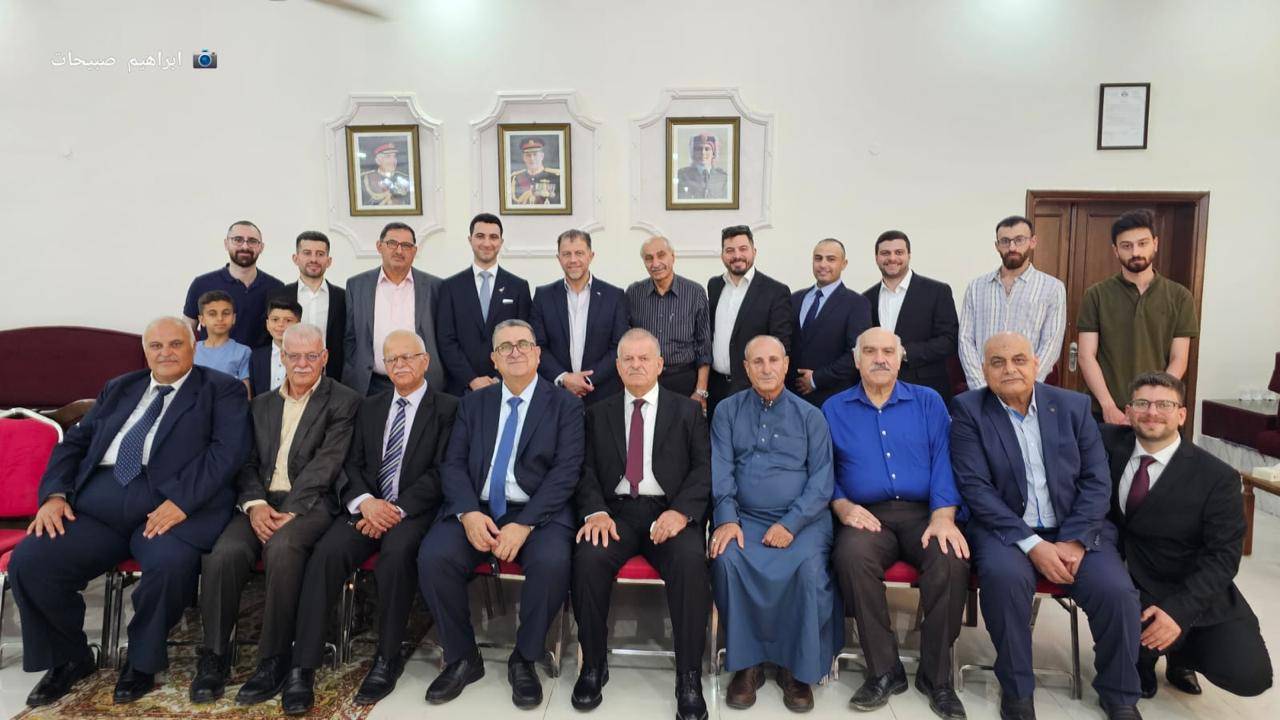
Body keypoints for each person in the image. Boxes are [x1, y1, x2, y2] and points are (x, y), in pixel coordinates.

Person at [10, 317, 249, 707]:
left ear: (193, 347)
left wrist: (183, 502)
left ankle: (141, 662)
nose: (166, 353)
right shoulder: (119, 387)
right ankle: (69, 658)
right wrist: (54, 495)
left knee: (169, 566)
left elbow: (227, 453)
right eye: (156, 346)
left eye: (175, 344)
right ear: (145, 351)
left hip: (170, 507)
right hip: (96, 507)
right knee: (31, 561)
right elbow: (74, 444)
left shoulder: (221, 390)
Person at [950, 332, 1142, 720]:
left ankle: (1120, 694)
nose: (1009, 369)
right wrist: (1033, 544)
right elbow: (975, 488)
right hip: (1006, 531)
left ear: (1037, 364)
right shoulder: (969, 410)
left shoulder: (1073, 406)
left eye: (1019, 360)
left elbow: (1096, 480)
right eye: (998, 362)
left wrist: (1073, 541)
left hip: (1076, 529)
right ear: (983, 369)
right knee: (1004, 581)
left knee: (1116, 591)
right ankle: (1017, 691)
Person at [283, 331, 459, 713]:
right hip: (367, 507)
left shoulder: (449, 408)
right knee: (327, 553)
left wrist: (394, 510)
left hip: (414, 512)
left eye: (408, 357)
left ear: (425, 361)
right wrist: (367, 504)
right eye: (392, 359)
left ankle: (387, 657)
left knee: (396, 555)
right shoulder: (369, 406)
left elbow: (443, 471)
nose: (400, 365)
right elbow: (351, 463)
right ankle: (303, 665)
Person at [418, 320, 584, 710]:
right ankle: (462, 657)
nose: (515, 351)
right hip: (477, 508)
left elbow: (566, 472)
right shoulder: (473, 403)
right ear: (493, 359)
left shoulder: (565, 405)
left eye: (523, 344)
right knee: (434, 557)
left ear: (538, 353)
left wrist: (525, 523)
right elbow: (453, 464)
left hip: (537, 511)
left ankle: (524, 658)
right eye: (505, 347)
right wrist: (467, 514)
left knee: (552, 563)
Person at [190, 323, 359, 708]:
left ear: (325, 358)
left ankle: (274, 659)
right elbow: (245, 462)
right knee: (224, 554)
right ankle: (215, 656)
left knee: (282, 549)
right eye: (294, 356)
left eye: (311, 356)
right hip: (261, 502)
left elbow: (328, 464)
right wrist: (255, 504)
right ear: (281, 357)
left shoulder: (344, 401)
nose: (302, 364)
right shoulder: (260, 405)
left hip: (311, 503)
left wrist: (293, 509)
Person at [824, 327, 969, 719]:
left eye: (888, 351)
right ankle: (884, 670)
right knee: (852, 557)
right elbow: (823, 467)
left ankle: (936, 677)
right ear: (856, 360)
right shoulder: (834, 408)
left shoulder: (928, 401)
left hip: (926, 513)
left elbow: (945, 459)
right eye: (870, 351)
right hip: (866, 514)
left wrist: (944, 515)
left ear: (901, 357)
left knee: (951, 560)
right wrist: (841, 504)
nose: (880, 359)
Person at [1103, 372, 1272, 699]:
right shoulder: (1106, 444)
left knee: (1250, 676)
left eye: (1164, 405)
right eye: (1143, 403)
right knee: (1132, 664)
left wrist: (1179, 612)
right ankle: (1144, 658)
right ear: (1128, 411)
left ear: (1181, 414)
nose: (1152, 412)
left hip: (1191, 586)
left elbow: (1223, 557)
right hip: (1132, 583)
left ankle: (1181, 654)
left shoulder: (1218, 478)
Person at [571, 328, 711, 719]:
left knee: (690, 563)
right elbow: (584, 470)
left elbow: (703, 470)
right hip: (614, 513)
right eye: (628, 359)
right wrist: (595, 511)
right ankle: (593, 665)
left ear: (660, 364)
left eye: (644, 358)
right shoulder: (597, 413)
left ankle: (688, 677)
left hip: (668, 512)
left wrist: (681, 512)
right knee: (588, 558)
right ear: (617, 367)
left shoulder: (687, 411)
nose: (636, 365)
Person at [709, 335, 841, 713]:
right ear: (746, 368)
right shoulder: (727, 411)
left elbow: (822, 481)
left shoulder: (811, 416)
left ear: (786, 364)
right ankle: (747, 666)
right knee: (728, 559)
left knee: (807, 569)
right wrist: (727, 519)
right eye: (757, 362)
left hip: (803, 520)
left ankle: (795, 669)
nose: (766, 369)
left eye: (773, 361)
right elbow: (721, 471)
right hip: (745, 518)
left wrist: (791, 523)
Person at [1078, 210, 1199, 423]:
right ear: (1115, 250)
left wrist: (1154, 404)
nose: (1135, 252)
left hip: (1157, 414)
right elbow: (1086, 355)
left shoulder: (1180, 296)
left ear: (1155, 243)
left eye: (1142, 243)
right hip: (1105, 411)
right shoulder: (1096, 294)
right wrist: (1108, 406)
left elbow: (1179, 359)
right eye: (1126, 246)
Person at [958, 216, 1065, 390]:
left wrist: (1026, 387)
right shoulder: (976, 288)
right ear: (997, 246)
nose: (1012, 247)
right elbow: (965, 340)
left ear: (1032, 242)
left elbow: (1051, 343)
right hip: (983, 388)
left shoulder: (1052, 288)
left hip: (1029, 390)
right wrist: (981, 387)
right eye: (1005, 241)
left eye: (1019, 240)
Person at [343, 222, 446, 395]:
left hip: (422, 384)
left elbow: (442, 337)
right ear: (379, 246)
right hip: (370, 384)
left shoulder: (435, 286)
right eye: (392, 243)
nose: (399, 251)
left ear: (414, 251)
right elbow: (350, 337)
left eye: (406, 245)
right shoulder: (357, 285)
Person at [436, 213, 532, 396]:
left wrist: (500, 377)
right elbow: (446, 340)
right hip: (461, 389)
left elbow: (524, 339)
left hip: (508, 386)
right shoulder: (450, 287)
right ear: (470, 240)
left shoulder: (518, 287)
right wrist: (472, 379)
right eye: (480, 236)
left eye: (493, 237)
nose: (487, 243)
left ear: (501, 242)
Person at [530, 229, 629, 406]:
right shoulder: (543, 296)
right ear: (558, 258)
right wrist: (564, 378)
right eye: (566, 254)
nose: (573, 260)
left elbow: (619, 347)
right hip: (555, 395)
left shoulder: (614, 296)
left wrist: (586, 380)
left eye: (579, 253)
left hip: (602, 396)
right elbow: (537, 346)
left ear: (591, 256)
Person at [864, 230, 959, 402]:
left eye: (899, 252)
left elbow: (949, 341)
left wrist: (905, 352)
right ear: (876, 257)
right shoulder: (865, 299)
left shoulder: (937, 291)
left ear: (909, 255)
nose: (892, 258)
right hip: (877, 391)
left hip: (925, 389)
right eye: (885, 253)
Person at [707, 225, 792, 412]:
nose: (737, 255)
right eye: (730, 250)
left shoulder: (776, 291)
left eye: (743, 249)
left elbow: (782, 344)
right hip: (716, 387)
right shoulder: (714, 286)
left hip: (753, 389)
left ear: (754, 251)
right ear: (722, 255)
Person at [625, 236, 711, 410]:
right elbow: (626, 342)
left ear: (673, 256)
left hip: (684, 381)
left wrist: (700, 391)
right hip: (644, 381)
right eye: (649, 258)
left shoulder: (695, 293)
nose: (655, 263)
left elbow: (704, 347)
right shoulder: (634, 293)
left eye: (661, 255)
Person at [790, 238, 873, 407]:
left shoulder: (857, 303)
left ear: (844, 264)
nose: (823, 264)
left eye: (831, 259)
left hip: (833, 398)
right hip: (791, 397)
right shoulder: (795, 298)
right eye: (818, 258)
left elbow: (857, 353)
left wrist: (816, 379)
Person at [184, 220, 284, 348]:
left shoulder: (277, 288)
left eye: (252, 241)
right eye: (238, 240)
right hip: (213, 360)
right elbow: (186, 332)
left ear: (261, 247)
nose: (245, 246)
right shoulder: (202, 284)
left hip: (261, 361)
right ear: (226, 244)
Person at [271, 230, 347, 382]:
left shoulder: (343, 297)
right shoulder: (279, 295)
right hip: (288, 377)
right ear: (296, 258)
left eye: (320, 254)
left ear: (329, 261)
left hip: (331, 379)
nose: (314, 259)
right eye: (307, 253)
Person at [192, 290, 251, 386]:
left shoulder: (243, 352)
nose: (220, 318)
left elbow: (245, 389)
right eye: (212, 314)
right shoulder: (191, 350)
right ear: (202, 320)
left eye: (226, 313)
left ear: (233, 318)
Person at [249, 297, 302, 397]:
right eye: (275, 320)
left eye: (288, 320)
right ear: (267, 324)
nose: (280, 324)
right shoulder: (256, 357)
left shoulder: (305, 357)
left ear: (298, 325)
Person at [509, 138, 562, 205]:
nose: (532, 159)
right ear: (524, 158)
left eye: (535, 154)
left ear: (542, 156)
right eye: (528, 155)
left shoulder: (556, 177)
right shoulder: (515, 178)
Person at [676, 133, 729, 200]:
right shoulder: (682, 176)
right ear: (693, 153)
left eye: (707, 149)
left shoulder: (723, 178)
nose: (703, 153)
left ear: (713, 153)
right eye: (699, 149)